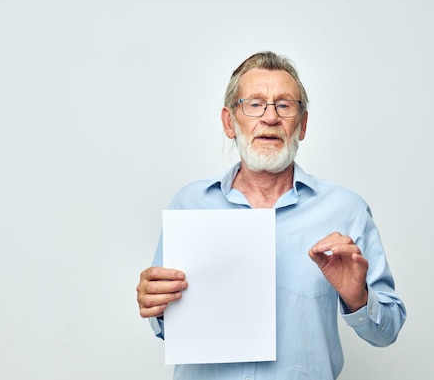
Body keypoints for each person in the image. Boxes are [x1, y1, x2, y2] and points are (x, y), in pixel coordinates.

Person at [136, 51, 406, 379]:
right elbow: (164, 322)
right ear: (229, 121)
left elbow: (387, 330)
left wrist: (358, 298)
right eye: (254, 104)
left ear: (302, 124)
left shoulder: (346, 210)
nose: (270, 117)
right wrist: (156, 305)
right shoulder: (189, 203)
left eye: (284, 105)